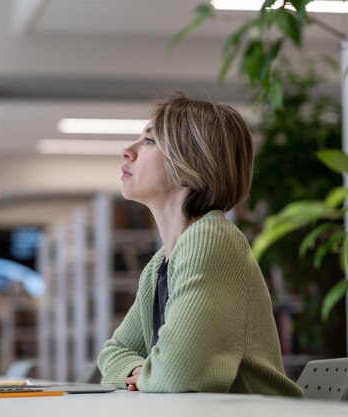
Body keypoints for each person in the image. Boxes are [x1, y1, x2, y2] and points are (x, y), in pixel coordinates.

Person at [97, 93, 303, 396]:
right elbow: (112, 354)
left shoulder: (211, 240)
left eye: (150, 141)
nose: (127, 150)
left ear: (191, 163)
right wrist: (144, 372)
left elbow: (178, 376)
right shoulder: (160, 265)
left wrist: (145, 375)